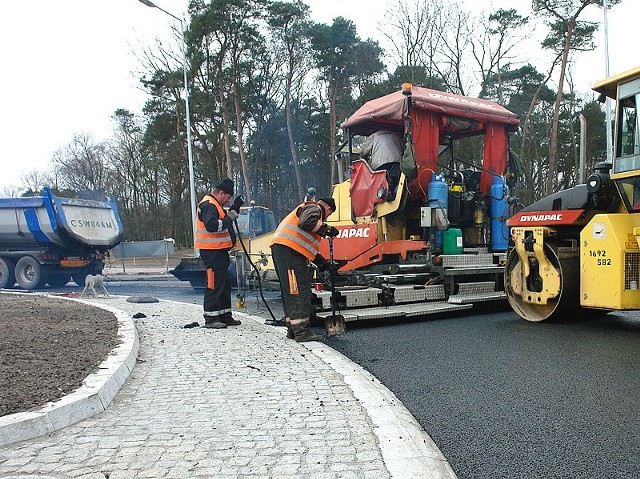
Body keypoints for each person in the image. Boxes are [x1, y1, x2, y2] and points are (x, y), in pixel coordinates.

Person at [270, 197, 338, 342]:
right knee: (299, 290)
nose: (327, 217)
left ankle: (293, 329)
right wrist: (327, 229)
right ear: (327, 208)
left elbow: (305, 246)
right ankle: (302, 332)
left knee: (291, 291)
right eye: (330, 214)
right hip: (289, 252)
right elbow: (306, 223)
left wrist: (323, 263)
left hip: (286, 251)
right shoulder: (315, 208)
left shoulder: (308, 210)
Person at [195, 178, 241, 329]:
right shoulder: (209, 205)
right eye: (228, 197)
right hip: (212, 252)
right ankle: (211, 318)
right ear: (221, 193)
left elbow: (222, 219)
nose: (228, 201)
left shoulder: (215, 205)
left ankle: (224, 315)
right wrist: (229, 219)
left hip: (219, 251)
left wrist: (235, 208)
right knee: (214, 284)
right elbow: (212, 226)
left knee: (224, 284)